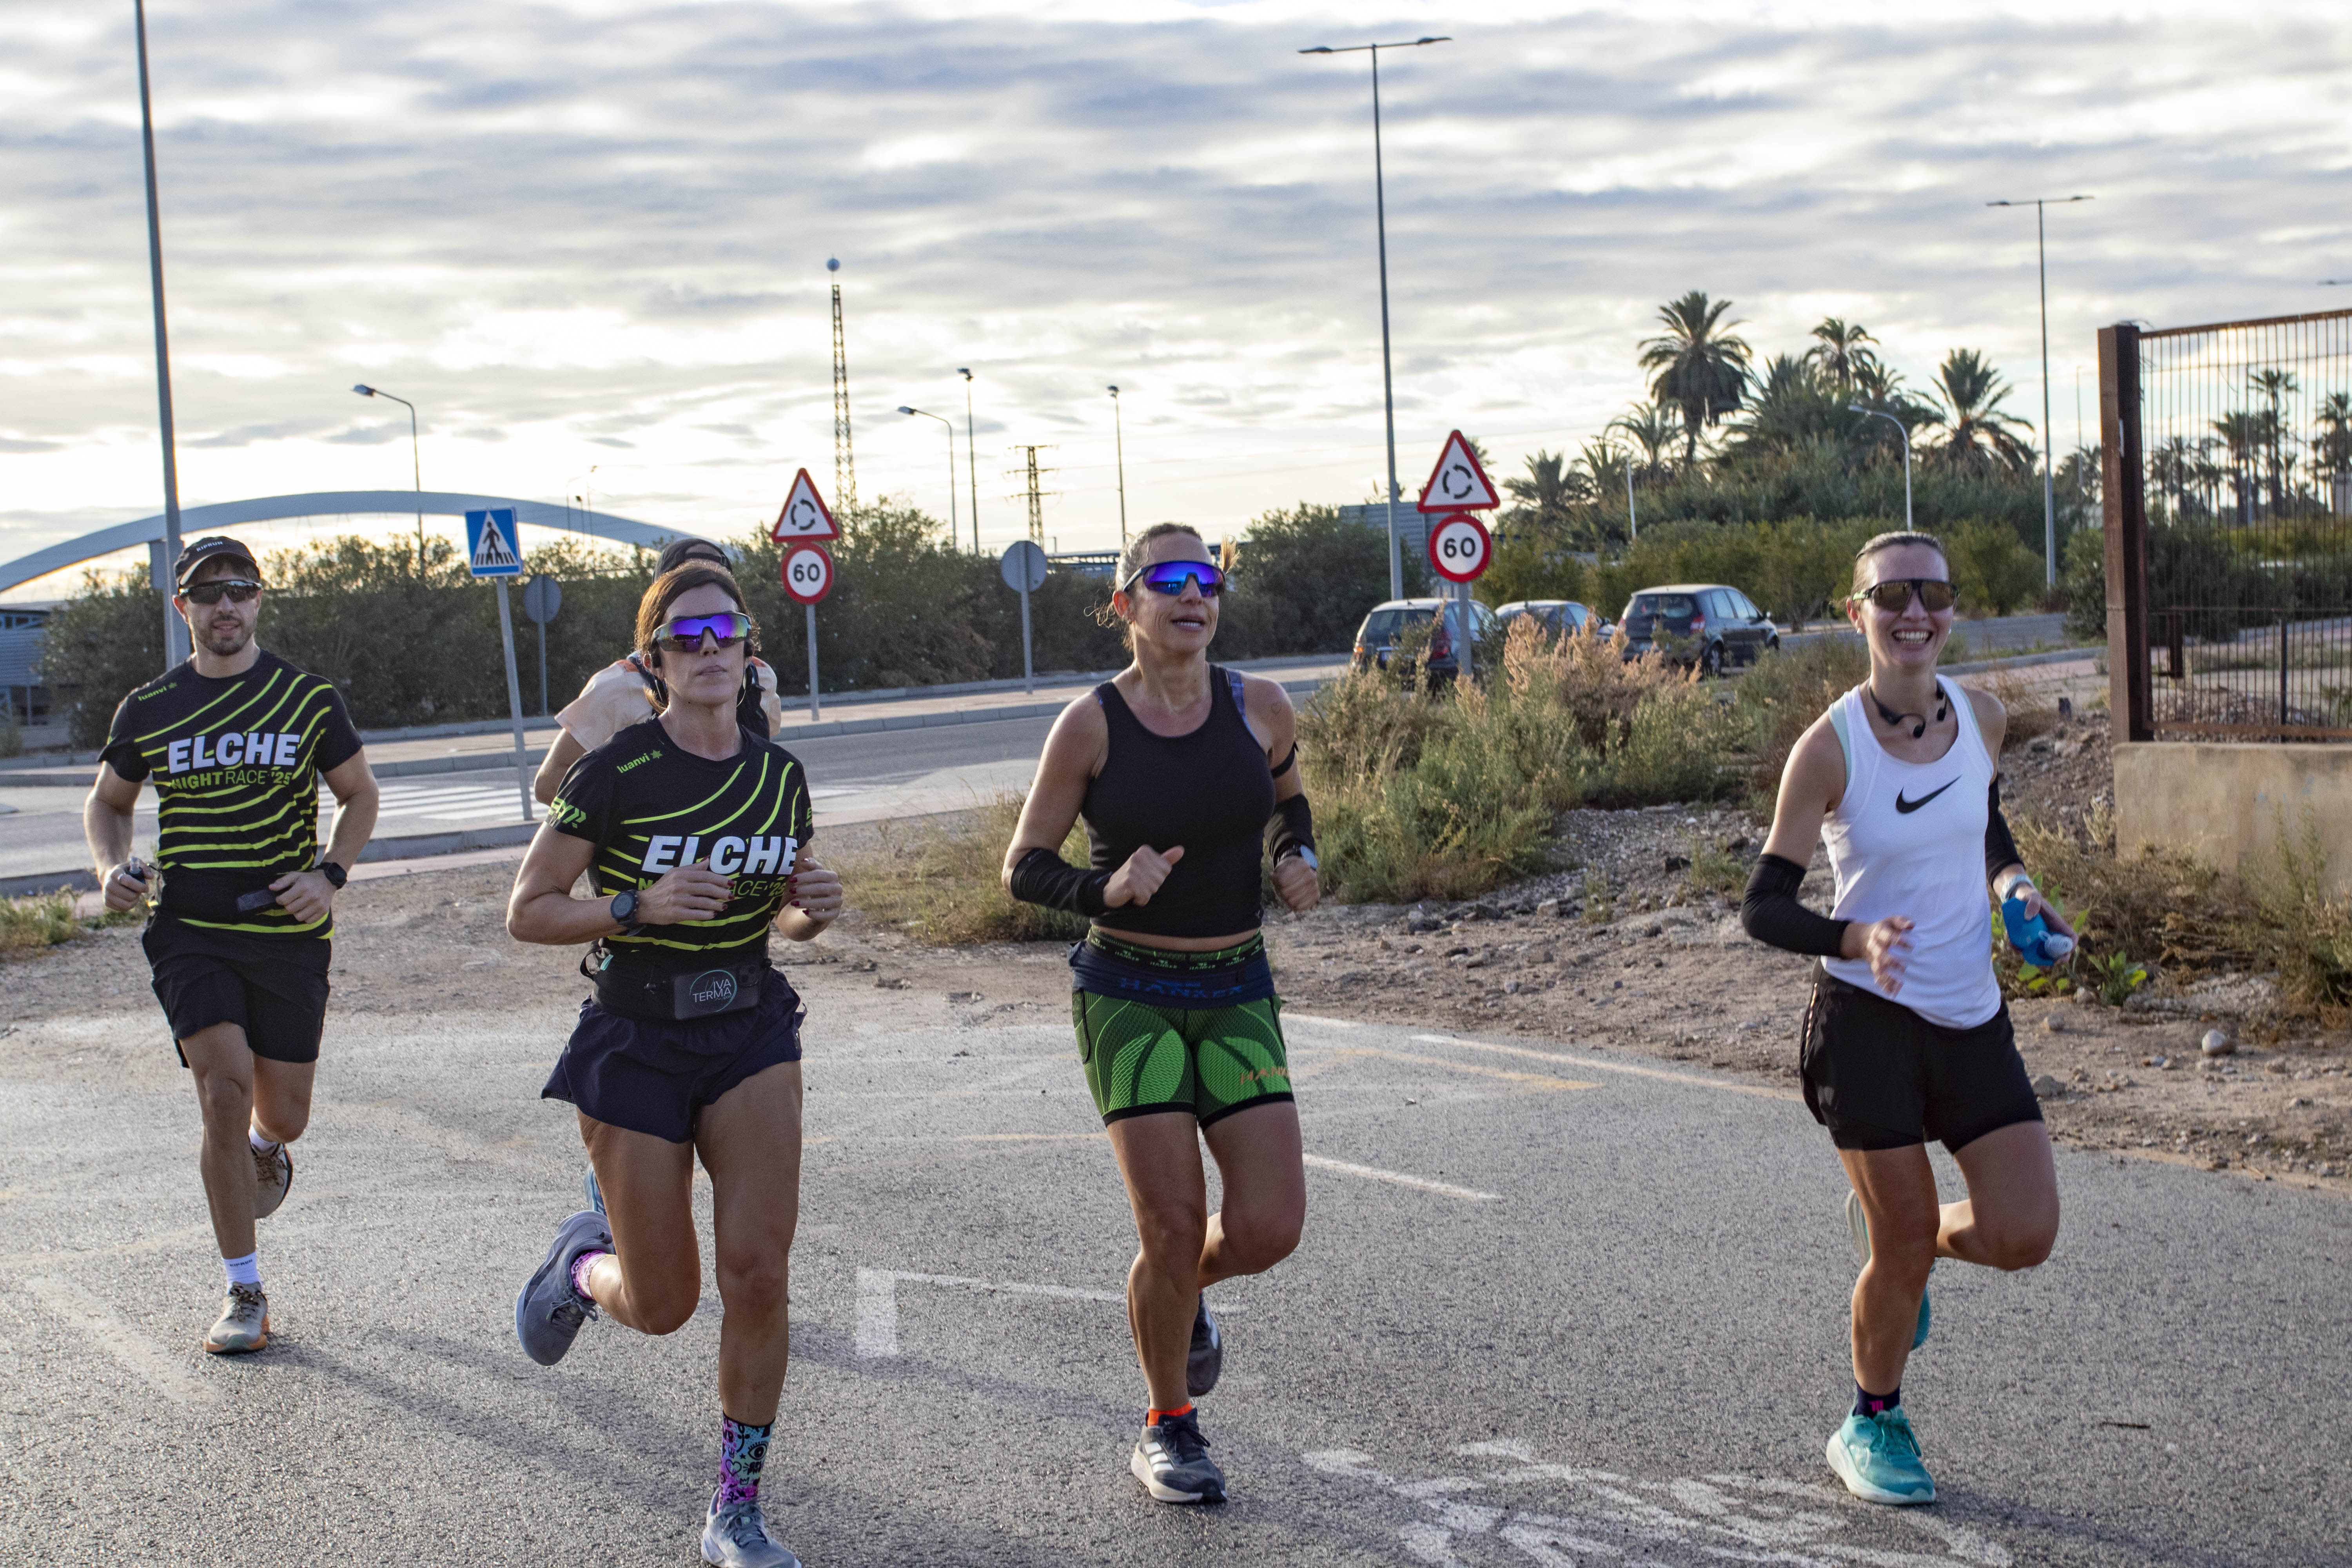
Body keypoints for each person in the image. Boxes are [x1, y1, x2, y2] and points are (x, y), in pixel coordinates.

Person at [506, 561, 838, 1568]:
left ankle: (738, 1508)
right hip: (637, 1037)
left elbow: (785, 913)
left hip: (748, 1027)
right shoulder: (616, 772)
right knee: (664, 1306)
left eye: (723, 633)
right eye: (684, 639)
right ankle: (581, 1264)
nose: (708, 651)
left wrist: (811, 910)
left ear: (749, 649)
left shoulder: (780, 775)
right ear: (653, 663)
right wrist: (633, 905)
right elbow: (528, 909)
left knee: (760, 1274)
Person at [1740, 530, 2067, 1507]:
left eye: (1932, 593)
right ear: (1858, 615)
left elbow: (1983, 822)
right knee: (1903, 1242)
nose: (1914, 612)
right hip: (1867, 1024)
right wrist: (1853, 937)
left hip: (1971, 1014)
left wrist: (2014, 887)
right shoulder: (1828, 748)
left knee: (2024, 1231)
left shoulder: (1983, 717)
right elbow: (1763, 905)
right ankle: (1869, 1420)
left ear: (1952, 609)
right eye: (1892, 596)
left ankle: (1909, 1244)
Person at [1001, 522, 1320, 1506]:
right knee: (1173, 1222)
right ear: (1125, 604)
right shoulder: (1091, 724)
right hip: (1129, 992)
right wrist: (1105, 889)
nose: (1194, 594)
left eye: (1208, 578)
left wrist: (1295, 856)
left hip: (1236, 986)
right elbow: (1023, 866)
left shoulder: (1260, 706)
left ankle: (1177, 1294)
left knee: (1269, 1224)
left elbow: (1288, 802)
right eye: (1170, 579)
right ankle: (1167, 1424)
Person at [84, 535, 381, 1355]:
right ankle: (244, 1288)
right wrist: (111, 868)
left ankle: (265, 1145)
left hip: (287, 929)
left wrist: (330, 873)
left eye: (241, 589)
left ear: (258, 600)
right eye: (209, 592)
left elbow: (359, 794)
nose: (226, 604)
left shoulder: (307, 699)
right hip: (191, 926)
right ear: (183, 606)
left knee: (284, 1112)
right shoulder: (150, 706)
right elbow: (108, 802)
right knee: (222, 1089)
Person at [533, 537, 784, 804]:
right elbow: (550, 782)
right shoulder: (620, 685)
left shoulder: (760, 679)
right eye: (685, 632)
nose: (709, 645)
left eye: (725, 625)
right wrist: (644, 815)